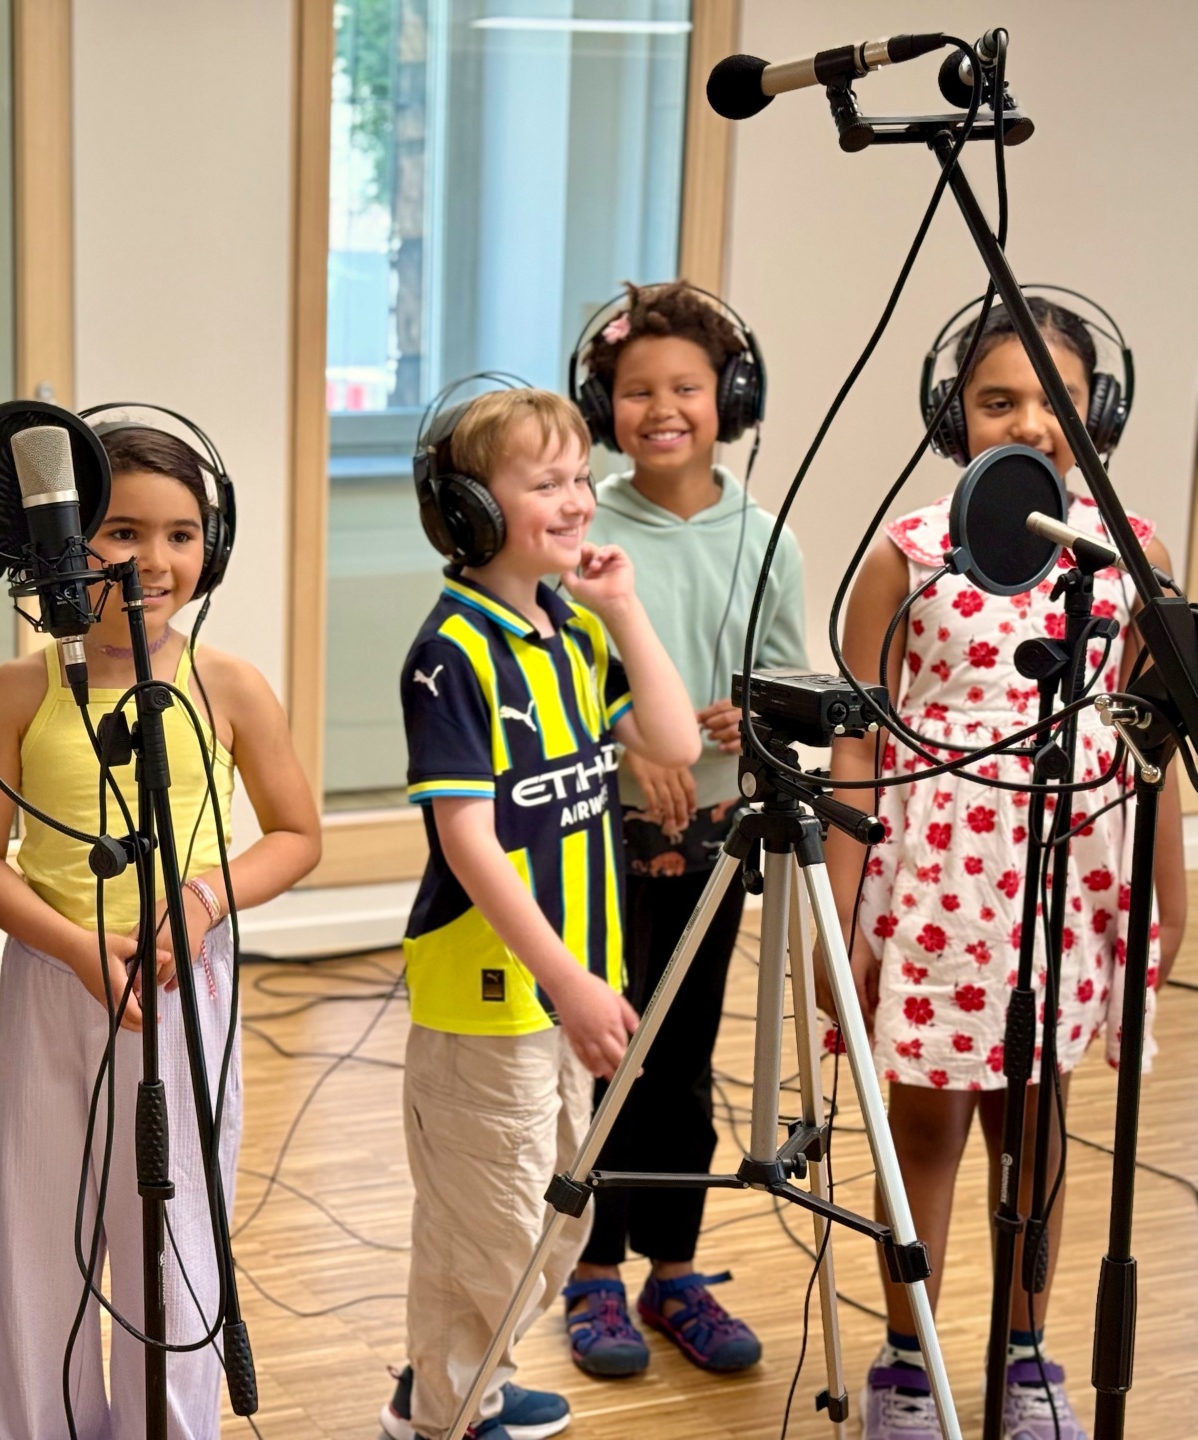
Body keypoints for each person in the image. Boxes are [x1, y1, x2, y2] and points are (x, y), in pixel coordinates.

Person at [826, 294, 1184, 1440]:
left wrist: (1174, 901)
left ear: (1100, 414)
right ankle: (908, 1363)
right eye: (999, 399)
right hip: (940, 884)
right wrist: (841, 921)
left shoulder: (1136, 552)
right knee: (922, 1127)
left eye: (1056, 399)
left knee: (1040, 1131)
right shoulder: (907, 556)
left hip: (1076, 879)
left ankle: (1027, 1360)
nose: (1030, 420)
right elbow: (855, 745)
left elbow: (1152, 736)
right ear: (955, 417)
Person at [0, 420, 320, 1439]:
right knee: (41, 1240)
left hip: (182, 992)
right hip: (54, 983)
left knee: (176, 1244)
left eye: (181, 533)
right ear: (64, 538)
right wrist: (75, 948)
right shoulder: (15, 691)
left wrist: (203, 898)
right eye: (121, 530)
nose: (152, 561)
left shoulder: (229, 685)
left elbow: (297, 835)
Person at [380, 386, 700, 1439]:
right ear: (470, 508)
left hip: (573, 981)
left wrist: (625, 612)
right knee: (501, 1224)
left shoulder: (566, 626)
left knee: (548, 1215)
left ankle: (448, 1382)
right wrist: (565, 982)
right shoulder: (451, 655)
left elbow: (675, 742)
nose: (575, 502)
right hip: (494, 996)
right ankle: (451, 1415)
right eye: (543, 483)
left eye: (577, 479)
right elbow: (467, 842)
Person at [560, 281, 806, 1378]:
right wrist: (630, 734)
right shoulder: (582, 526)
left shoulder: (769, 539)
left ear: (730, 396)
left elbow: (791, 677)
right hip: (600, 835)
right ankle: (591, 1269)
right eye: (635, 391)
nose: (662, 408)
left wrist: (745, 710)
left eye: (687, 389)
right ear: (601, 401)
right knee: (608, 1047)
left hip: (715, 835)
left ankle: (672, 1269)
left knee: (685, 1060)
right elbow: (555, 674)